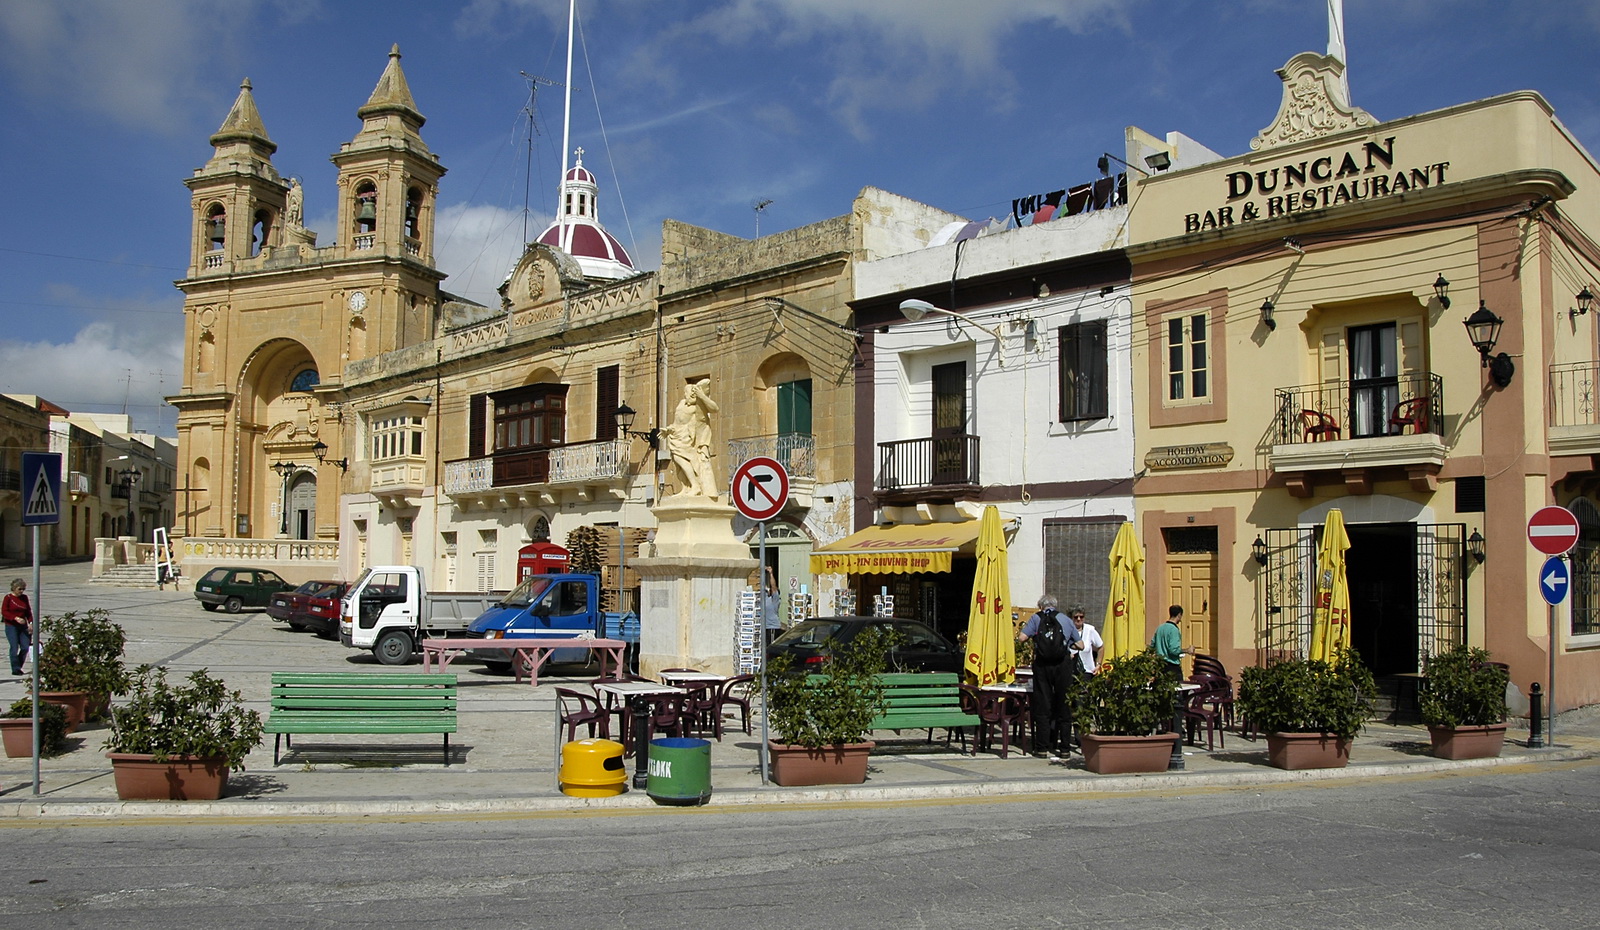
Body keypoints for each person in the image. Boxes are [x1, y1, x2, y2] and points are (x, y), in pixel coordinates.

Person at [1017, 594, 1082, 761]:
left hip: (1042, 665)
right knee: (1064, 705)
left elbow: (1022, 638)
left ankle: (1042, 748)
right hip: (1063, 665)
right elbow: (1081, 644)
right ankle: (1065, 748)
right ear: (1055, 605)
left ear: (1041, 606)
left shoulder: (1036, 618)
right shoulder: (1066, 620)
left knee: (1043, 705)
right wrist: (1067, 644)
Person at [658, 378, 720, 499]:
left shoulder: (698, 406)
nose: (691, 394)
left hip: (689, 438)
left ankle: (696, 486)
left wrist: (702, 396)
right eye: (689, 392)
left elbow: (715, 408)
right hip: (677, 436)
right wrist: (668, 430)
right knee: (678, 463)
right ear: (685, 393)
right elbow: (677, 423)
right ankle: (686, 487)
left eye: (694, 392)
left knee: (684, 459)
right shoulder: (681, 404)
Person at [1151, 603, 1192, 682]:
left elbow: (1152, 645)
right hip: (1171, 666)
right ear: (1179, 615)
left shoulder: (1160, 628)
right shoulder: (1174, 630)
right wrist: (1187, 650)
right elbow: (1173, 650)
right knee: (1178, 690)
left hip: (1160, 665)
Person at [3, 578, 34, 676]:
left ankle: (19, 665)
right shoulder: (8, 598)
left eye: (23, 589)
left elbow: (28, 611)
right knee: (14, 646)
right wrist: (15, 618)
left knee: (25, 647)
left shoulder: (24, 598)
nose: (21, 591)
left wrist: (30, 623)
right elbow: (4, 611)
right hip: (11, 625)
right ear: (14, 588)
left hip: (23, 626)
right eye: (19, 589)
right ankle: (15, 668)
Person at [1068, 605, 1102, 677]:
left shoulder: (1090, 630)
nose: (1079, 619)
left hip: (1087, 672)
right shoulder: (1066, 630)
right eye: (1076, 617)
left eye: (1081, 617)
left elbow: (1101, 647)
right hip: (1069, 672)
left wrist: (1098, 664)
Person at [762, 567, 783, 645]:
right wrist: (762, 573)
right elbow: (762, 587)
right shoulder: (765, 598)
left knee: (770, 646)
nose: (771, 590)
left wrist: (771, 574)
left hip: (772, 627)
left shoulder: (775, 600)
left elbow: (773, 587)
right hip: (765, 627)